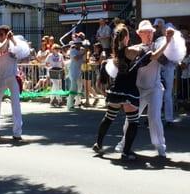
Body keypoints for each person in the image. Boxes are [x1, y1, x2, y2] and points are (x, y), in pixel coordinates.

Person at [115, 20, 174, 157]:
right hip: (138, 90)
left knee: (154, 118)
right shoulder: (135, 49)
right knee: (130, 119)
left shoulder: (158, 48)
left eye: (151, 32)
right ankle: (123, 143)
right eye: (146, 32)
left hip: (155, 88)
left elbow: (164, 61)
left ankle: (160, 146)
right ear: (139, 33)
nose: (149, 34)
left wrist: (168, 42)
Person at [92, 24, 144, 160]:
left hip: (115, 91)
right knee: (133, 122)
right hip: (128, 92)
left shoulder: (115, 55)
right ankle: (126, 152)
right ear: (126, 37)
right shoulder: (132, 51)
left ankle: (98, 143)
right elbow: (146, 52)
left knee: (108, 118)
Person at [0, 26, 28, 140]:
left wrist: (12, 39)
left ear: (7, 34)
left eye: (1, 34)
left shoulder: (13, 44)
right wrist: (6, 40)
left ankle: (17, 133)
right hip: (0, 77)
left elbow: (21, 52)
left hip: (12, 76)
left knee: (15, 104)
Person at [66, 39, 85, 111]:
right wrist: (83, 53)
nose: (79, 45)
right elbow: (76, 58)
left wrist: (85, 53)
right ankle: (70, 105)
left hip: (79, 71)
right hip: (73, 71)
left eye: (80, 43)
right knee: (74, 88)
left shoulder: (81, 51)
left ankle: (78, 102)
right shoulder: (72, 50)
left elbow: (84, 60)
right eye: (77, 43)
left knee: (79, 87)